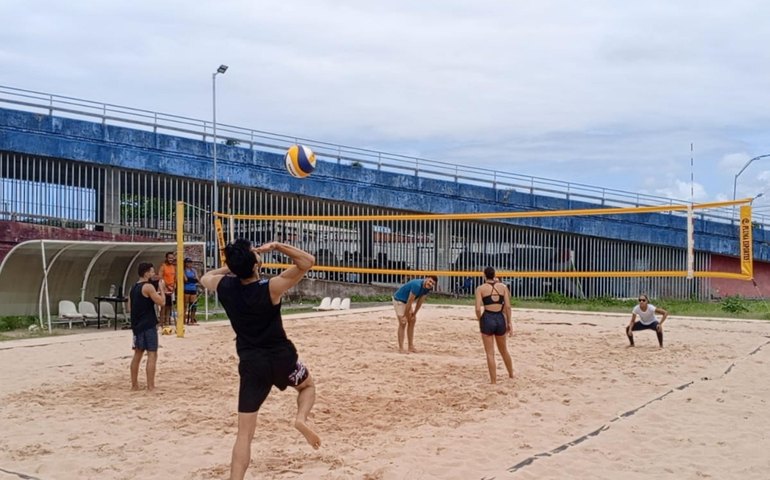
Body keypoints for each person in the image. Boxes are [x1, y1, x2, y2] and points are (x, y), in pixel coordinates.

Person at [199, 239, 320, 480]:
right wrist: (276, 246)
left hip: (251, 364)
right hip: (282, 359)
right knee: (307, 386)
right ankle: (300, 418)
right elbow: (308, 262)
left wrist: (232, 267)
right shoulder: (271, 287)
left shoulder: (224, 286)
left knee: (244, 435)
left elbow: (205, 277)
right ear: (256, 263)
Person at [126, 262, 166, 391]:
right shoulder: (148, 287)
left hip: (137, 325)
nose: (153, 274)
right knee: (152, 354)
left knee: (137, 354)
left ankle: (134, 385)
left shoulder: (133, 287)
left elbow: (129, 307)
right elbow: (162, 302)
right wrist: (162, 289)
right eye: (152, 271)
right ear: (146, 273)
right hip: (148, 324)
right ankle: (150, 386)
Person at [474, 267, 514, 384]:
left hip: (487, 317)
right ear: (495, 275)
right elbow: (508, 307)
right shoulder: (503, 287)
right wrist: (509, 322)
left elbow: (477, 308)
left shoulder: (480, 288)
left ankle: (493, 381)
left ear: (484, 276)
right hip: (500, 318)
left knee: (490, 353)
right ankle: (511, 374)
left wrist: (479, 319)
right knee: (504, 350)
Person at [392, 275, 437, 353]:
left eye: (433, 284)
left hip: (406, 301)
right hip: (399, 300)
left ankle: (410, 346)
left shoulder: (426, 288)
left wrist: (414, 313)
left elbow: (420, 302)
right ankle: (401, 348)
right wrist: (405, 316)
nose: (430, 284)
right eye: (430, 281)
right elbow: (410, 301)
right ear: (426, 279)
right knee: (403, 323)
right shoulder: (417, 285)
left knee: (412, 320)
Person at [158, 251, 176, 326]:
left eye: (172, 258)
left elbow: (175, 278)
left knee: (169, 306)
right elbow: (160, 277)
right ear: (166, 258)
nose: (171, 259)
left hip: (172, 289)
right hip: (164, 289)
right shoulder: (163, 266)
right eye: (169, 258)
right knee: (163, 306)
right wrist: (167, 286)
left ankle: (167, 321)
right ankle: (161, 322)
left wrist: (174, 287)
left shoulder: (173, 267)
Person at [183, 257, 200, 325]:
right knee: (185, 305)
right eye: (188, 263)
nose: (189, 264)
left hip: (193, 288)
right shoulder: (184, 270)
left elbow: (197, 278)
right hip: (187, 288)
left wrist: (194, 280)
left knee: (193, 305)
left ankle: (192, 319)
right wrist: (193, 279)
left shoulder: (193, 270)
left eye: (190, 262)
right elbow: (186, 279)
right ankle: (183, 319)